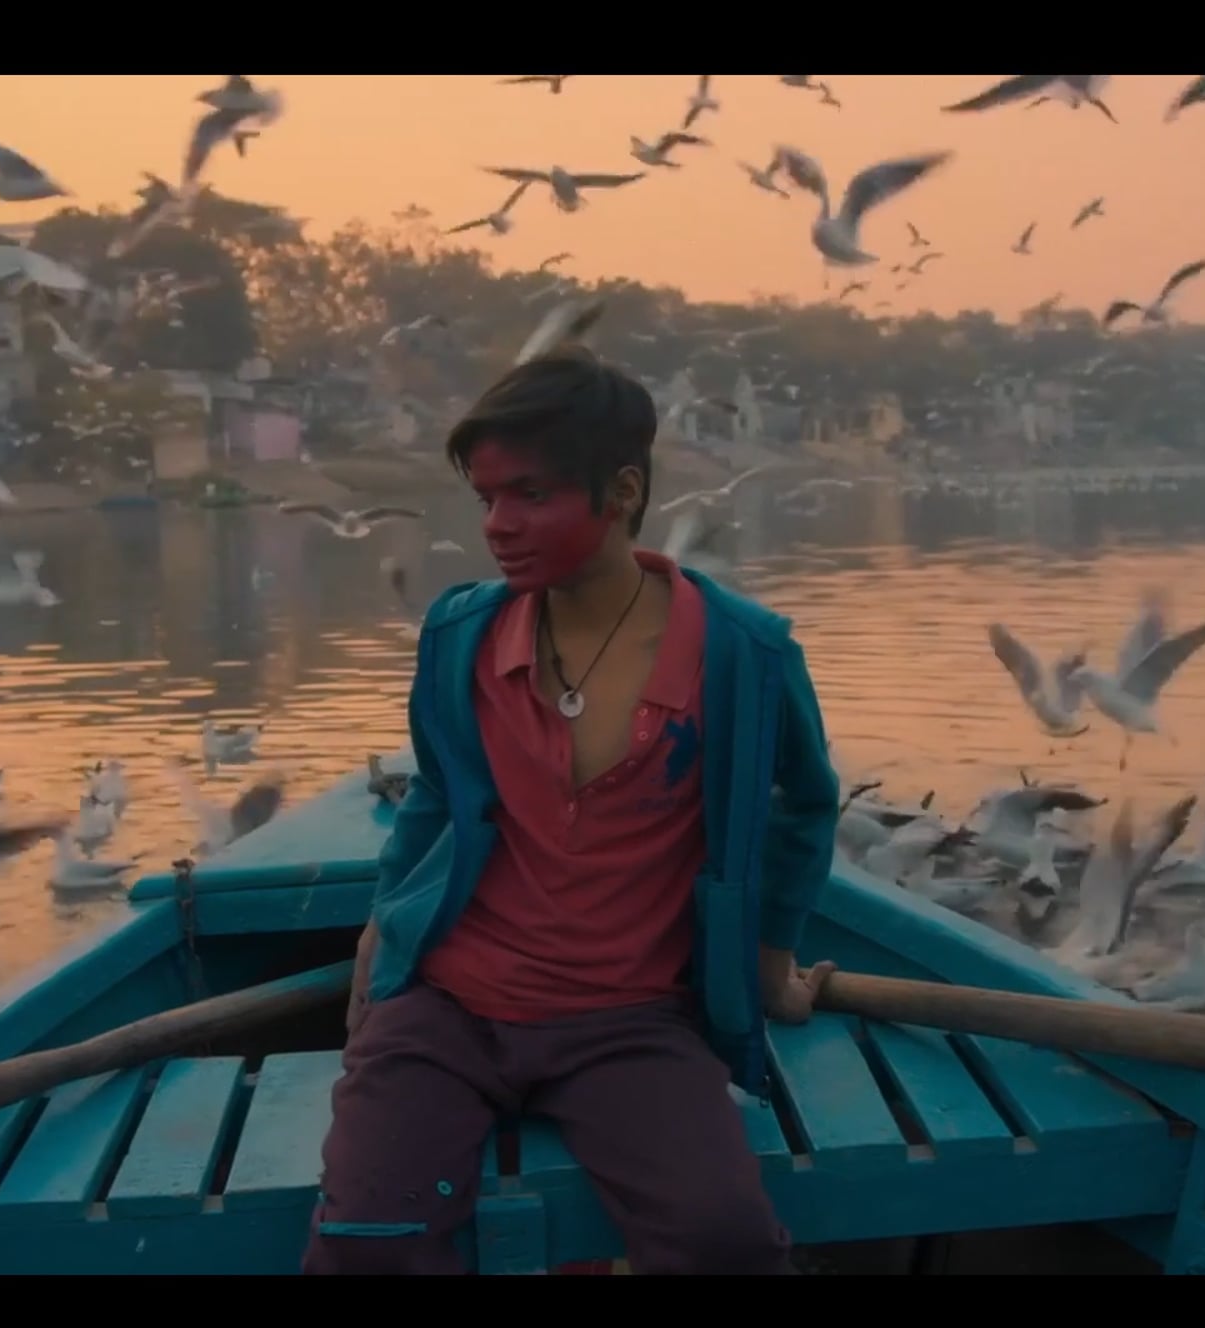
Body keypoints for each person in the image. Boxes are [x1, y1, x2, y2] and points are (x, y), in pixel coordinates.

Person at [302, 346, 842, 1276]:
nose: (498, 526)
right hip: (448, 1011)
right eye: (486, 499)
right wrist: (386, 924)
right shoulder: (461, 635)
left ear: (622, 492)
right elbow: (436, 793)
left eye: (531, 495)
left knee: (726, 1245)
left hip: (630, 1022)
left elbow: (807, 801)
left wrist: (766, 967)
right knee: (365, 1249)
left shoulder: (742, 653)